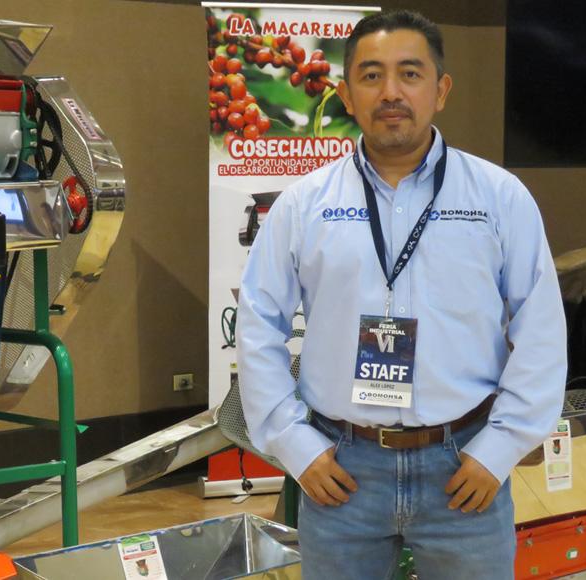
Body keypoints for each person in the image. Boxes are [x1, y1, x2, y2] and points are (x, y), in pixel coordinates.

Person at [235, 9, 566, 580]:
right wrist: (295, 445)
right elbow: (258, 323)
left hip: (464, 469)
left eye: (410, 74)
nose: (391, 92)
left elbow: (540, 329)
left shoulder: (498, 197)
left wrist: (499, 449)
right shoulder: (304, 204)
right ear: (346, 94)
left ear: (441, 90)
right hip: (341, 472)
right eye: (371, 76)